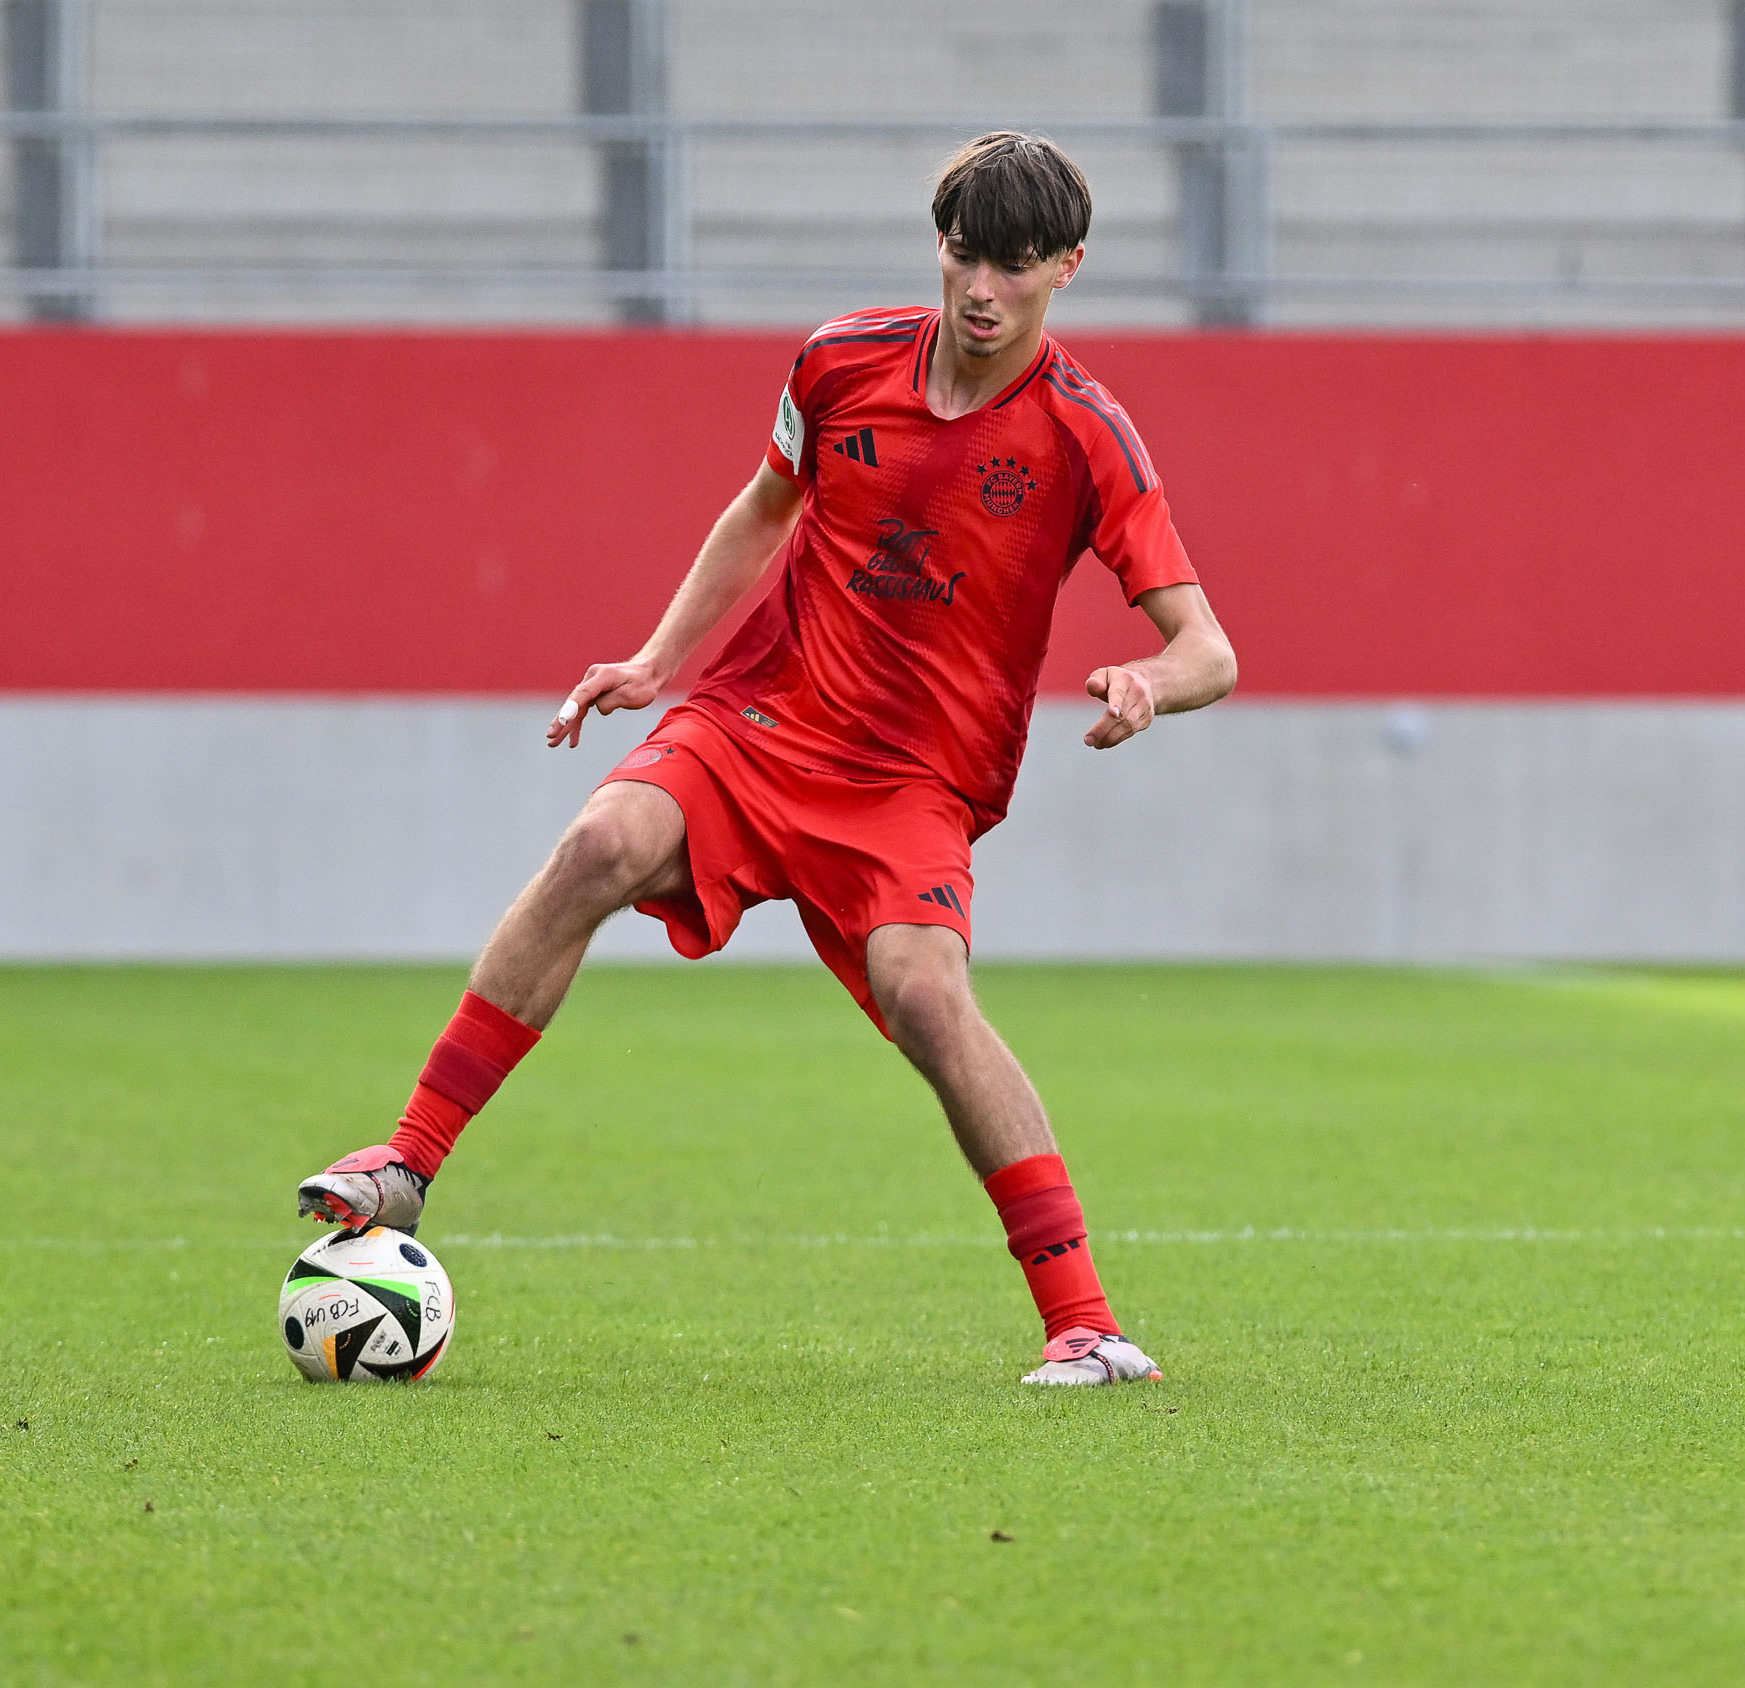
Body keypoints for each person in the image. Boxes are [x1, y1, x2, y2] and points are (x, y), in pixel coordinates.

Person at [297, 132, 1238, 1387]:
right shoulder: (840, 359)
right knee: (600, 843)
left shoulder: (1084, 434)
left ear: (1067, 266)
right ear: (940, 245)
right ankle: (406, 1160)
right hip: (762, 716)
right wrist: (656, 661)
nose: (981, 291)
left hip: (914, 779)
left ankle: (1087, 1322)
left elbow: (1209, 647)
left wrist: (1147, 682)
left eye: (1014, 266)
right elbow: (762, 508)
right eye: (964, 255)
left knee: (926, 995)